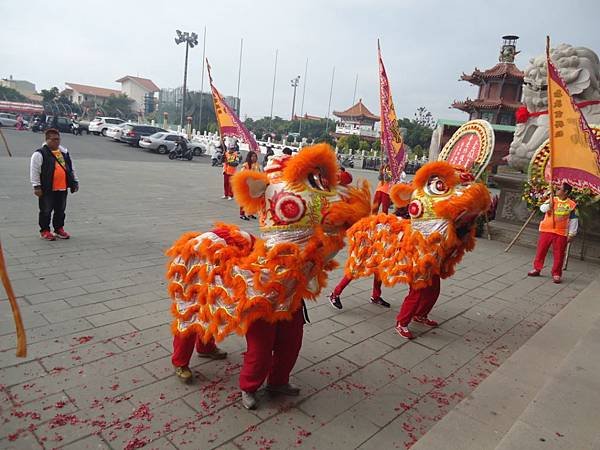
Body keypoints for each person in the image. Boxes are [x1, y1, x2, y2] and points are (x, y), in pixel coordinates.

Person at [30, 129, 79, 241]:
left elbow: (70, 169)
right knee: (46, 210)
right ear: (47, 140)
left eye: (58, 139)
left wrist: (74, 182)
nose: (57, 142)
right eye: (54, 139)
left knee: (60, 210)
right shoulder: (39, 154)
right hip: (47, 188)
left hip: (62, 188)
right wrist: (36, 186)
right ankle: (45, 230)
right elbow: (34, 171)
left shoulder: (63, 153)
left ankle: (58, 229)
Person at [528, 183, 578, 283]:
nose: (557, 190)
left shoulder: (571, 204)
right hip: (546, 230)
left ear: (566, 192)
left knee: (559, 254)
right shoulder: (552, 199)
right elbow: (542, 209)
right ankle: (537, 269)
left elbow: (574, 219)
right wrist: (548, 206)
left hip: (561, 233)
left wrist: (572, 233)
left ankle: (556, 273)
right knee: (541, 251)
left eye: (559, 189)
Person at [239, 152, 261, 220]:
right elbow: (241, 175)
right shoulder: (245, 165)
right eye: (252, 156)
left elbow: (259, 173)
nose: (254, 158)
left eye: (255, 156)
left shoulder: (257, 165)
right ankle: (242, 214)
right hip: (247, 185)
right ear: (249, 157)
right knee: (244, 200)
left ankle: (250, 213)